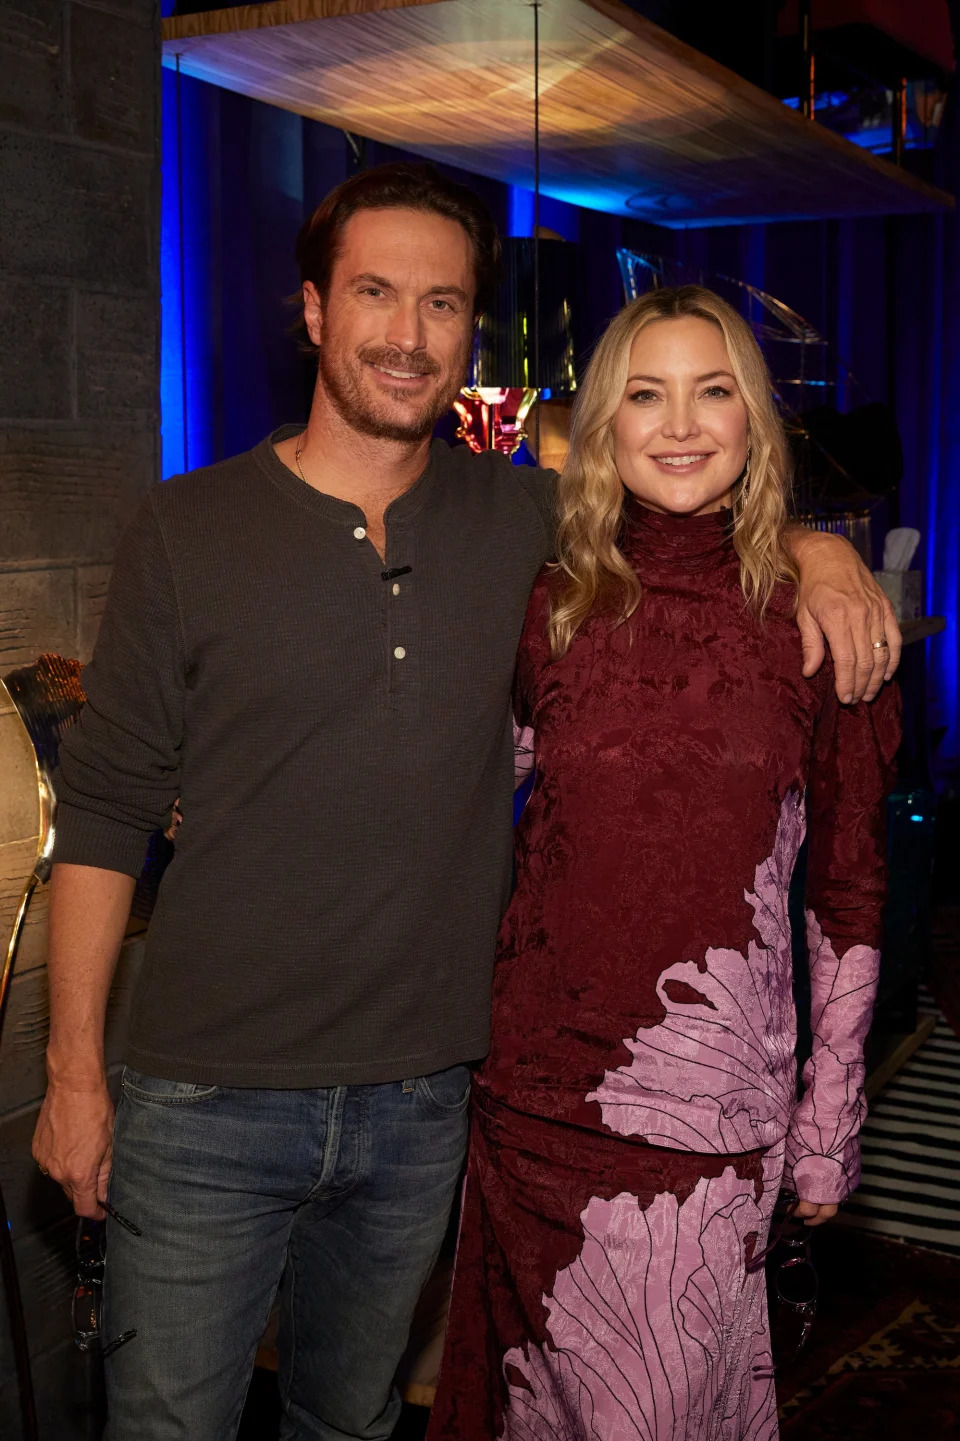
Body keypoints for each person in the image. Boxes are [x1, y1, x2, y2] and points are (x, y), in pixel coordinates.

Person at [31, 164, 899, 1441]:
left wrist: (826, 553)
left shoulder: (526, 524)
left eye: (443, 304)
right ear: (314, 310)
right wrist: (71, 1077)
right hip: (208, 1093)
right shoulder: (186, 528)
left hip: (429, 1097)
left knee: (356, 1419)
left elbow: (692, 502)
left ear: (471, 337)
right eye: (376, 293)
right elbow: (105, 812)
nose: (409, 333)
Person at [427, 285, 901, 1441]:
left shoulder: (810, 617)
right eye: (646, 393)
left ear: (755, 424)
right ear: (602, 426)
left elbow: (847, 887)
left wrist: (827, 1117)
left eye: (713, 390)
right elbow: (475, 822)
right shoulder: (548, 604)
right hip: (533, 1102)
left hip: (708, 1117)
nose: (680, 424)